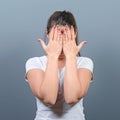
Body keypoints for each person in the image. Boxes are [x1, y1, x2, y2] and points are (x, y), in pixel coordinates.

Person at [25, 10, 94, 120]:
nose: (61, 40)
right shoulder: (35, 63)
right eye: (57, 35)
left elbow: (71, 98)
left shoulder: (84, 63)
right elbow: (49, 99)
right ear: (47, 33)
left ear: (74, 33)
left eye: (66, 34)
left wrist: (71, 56)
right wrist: (52, 56)